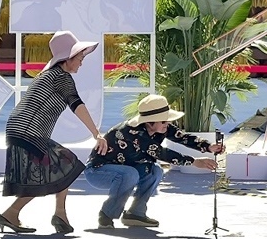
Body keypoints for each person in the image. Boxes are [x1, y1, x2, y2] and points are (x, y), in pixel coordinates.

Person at [0, 31, 109, 234]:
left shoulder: (48, 74)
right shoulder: (62, 77)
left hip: (20, 128)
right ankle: (19, 213)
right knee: (60, 168)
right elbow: (77, 105)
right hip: (28, 131)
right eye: (80, 57)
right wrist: (97, 134)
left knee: (60, 167)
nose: (81, 62)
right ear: (68, 58)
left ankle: (57, 214)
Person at [84, 94, 221, 229]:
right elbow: (161, 153)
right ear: (149, 122)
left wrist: (208, 146)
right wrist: (194, 162)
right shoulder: (132, 133)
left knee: (155, 170)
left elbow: (183, 137)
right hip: (97, 171)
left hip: (126, 169)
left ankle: (135, 213)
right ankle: (106, 214)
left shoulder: (161, 127)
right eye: (164, 121)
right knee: (129, 174)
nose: (167, 124)